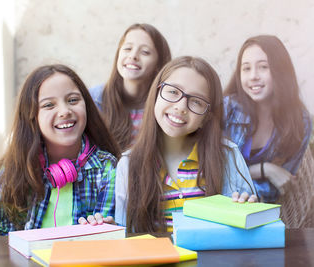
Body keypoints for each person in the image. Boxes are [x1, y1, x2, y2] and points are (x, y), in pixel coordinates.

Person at [80, 56, 257, 233]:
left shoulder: (227, 155)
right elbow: (126, 232)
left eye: (196, 101)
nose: (181, 107)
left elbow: (249, 220)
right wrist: (108, 229)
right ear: (156, 94)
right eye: (173, 92)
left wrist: (248, 210)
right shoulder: (129, 164)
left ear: (207, 117)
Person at [0, 64, 119, 235]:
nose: (64, 111)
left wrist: (106, 228)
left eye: (73, 100)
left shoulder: (106, 167)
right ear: (32, 117)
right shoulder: (12, 169)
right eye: (49, 105)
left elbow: (108, 234)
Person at [224, 35, 312, 203]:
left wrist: (251, 192)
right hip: (219, 205)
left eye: (263, 67)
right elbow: (213, 172)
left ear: (281, 70)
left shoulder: (300, 122)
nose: (253, 76)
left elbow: (283, 183)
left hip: (261, 209)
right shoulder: (227, 109)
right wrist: (265, 170)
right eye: (246, 68)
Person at [89, 23, 171, 151]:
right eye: (127, 48)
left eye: (145, 52)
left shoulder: (164, 107)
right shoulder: (94, 99)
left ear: (158, 64)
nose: (133, 56)